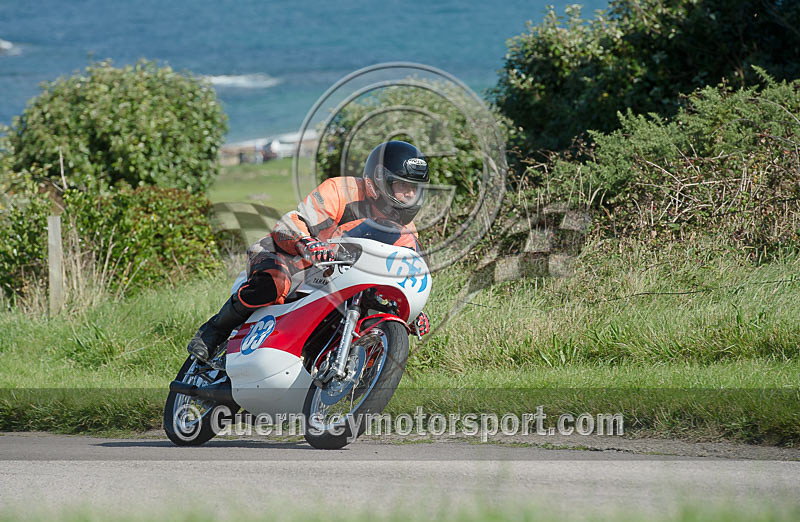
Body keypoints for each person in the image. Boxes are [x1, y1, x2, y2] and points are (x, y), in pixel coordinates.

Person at [187, 140, 432, 362]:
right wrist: (307, 243)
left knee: (371, 306)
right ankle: (214, 331)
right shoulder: (341, 190)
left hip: (338, 279)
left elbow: (406, 274)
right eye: (402, 186)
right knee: (271, 283)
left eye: (414, 189)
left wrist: (411, 310)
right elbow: (292, 222)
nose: (410, 195)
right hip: (290, 255)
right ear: (377, 181)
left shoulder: (406, 232)